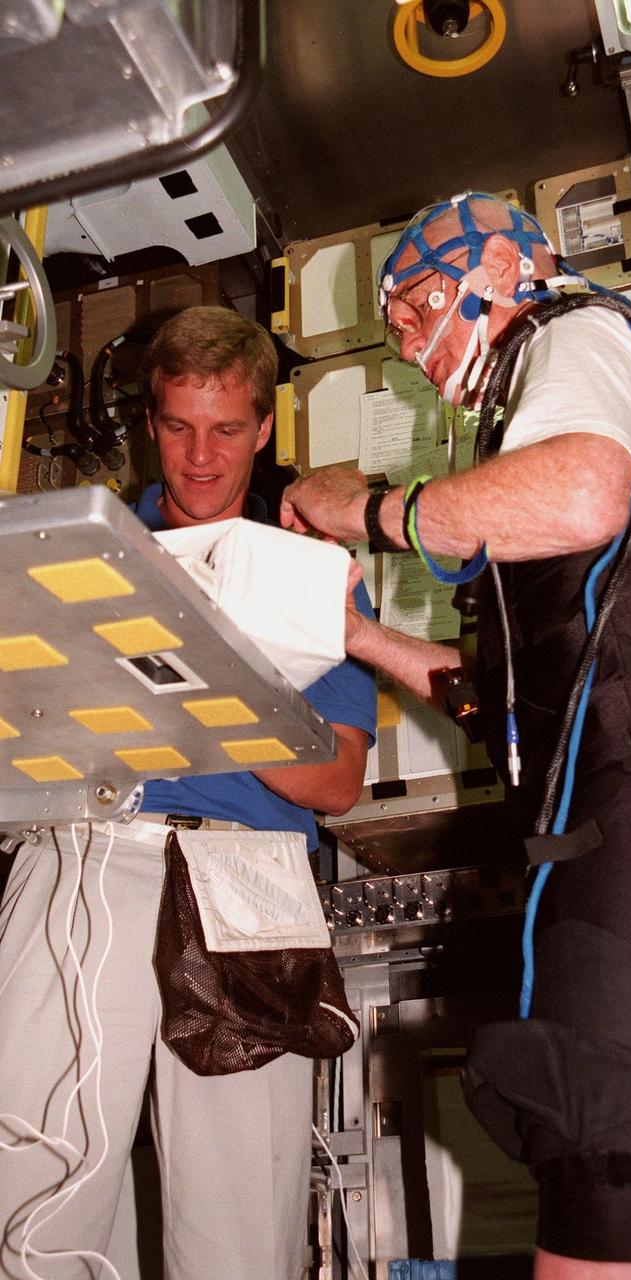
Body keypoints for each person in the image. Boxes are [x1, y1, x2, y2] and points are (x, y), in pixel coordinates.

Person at [280, 193, 631, 1280]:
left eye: (419, 308)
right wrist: (352, 633)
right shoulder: (552, 397)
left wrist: (375, 508)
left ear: (494, 267)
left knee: (620, 1207)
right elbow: (504, 697)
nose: (412, 350)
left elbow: (581, 492)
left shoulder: (564, 333)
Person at [0, 306, 376, 1280]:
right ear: (150, 422)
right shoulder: (90, 549)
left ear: (263, 426)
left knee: (239, 1217)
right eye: (177, 425)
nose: (199, 455)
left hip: (246, 879)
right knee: (28, 1184)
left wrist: (213, 685)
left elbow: (335, 779)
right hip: (83, 848)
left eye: (224, 428)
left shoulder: (310, 571)